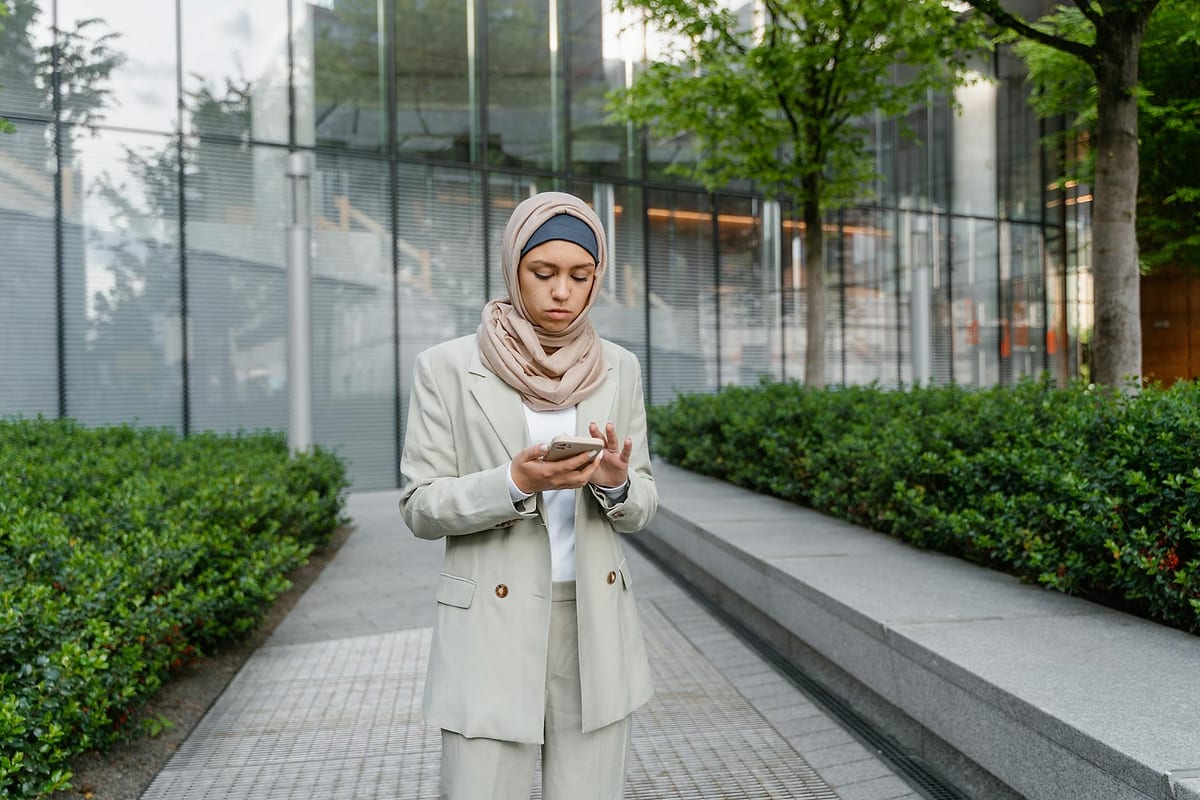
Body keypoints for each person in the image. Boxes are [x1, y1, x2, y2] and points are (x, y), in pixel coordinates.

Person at [399, 191, 657, 800]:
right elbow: (420, 506)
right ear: (513, 267)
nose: (562, 292)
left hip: (593, 622)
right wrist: (515, 483)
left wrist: (615, 484)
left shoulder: (619, 367)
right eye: (543, 273)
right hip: (488, 624)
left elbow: (643, 501)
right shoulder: (446, 367)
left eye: (580, 276)